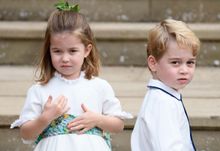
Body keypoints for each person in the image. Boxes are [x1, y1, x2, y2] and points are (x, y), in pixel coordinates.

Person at [11, 2, 132, 151]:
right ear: (49, 50)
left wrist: (98, 119)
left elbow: (118, 125)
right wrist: (46, 117)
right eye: (57, 51)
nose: (65, 58)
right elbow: (26, 134)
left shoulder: (99, 86)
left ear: (87, 50)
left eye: (72, 51)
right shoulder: (40, 90)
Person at [131, 19, 200, 151]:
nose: (184, 70)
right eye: (175, 62)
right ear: (153, 63)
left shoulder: (165, 96)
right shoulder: (162, 103)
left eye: (190, 62)